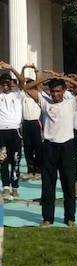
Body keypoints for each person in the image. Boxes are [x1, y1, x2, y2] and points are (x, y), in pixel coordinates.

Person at [24, 73, 77, 227]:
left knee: (68, 184)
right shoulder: (45, 102)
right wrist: (45, 79)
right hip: (49, 147)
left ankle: (70, 218)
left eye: (58, 91)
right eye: (53, 91)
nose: (55, 94)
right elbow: (26, 87)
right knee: (48, 185)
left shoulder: (71, 102)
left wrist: (69, 80)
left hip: (67, 147)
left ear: (64, 90)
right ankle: (47, 218)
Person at [0, 62, 26, 199]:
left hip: (15, 130)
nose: (5, 86)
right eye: (3, 83)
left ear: (11, 83)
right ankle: (5, 186)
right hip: (1, 131)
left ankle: (15, 187)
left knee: (15, 159)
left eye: (7, 83)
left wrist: (11, 68)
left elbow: (22, 81)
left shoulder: (17, 94)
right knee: (2, 159)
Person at [20, 64, 42, 180]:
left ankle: (39, 170)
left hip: (35, 123)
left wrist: (36, 71)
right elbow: (21, 82)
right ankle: (30, 170)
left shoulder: (38, 96)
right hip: (26, 124)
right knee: (28, 148)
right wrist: (23, 69)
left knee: (38, 148)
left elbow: (38, 84)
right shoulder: (23, 96)